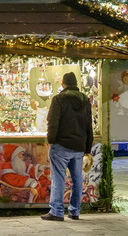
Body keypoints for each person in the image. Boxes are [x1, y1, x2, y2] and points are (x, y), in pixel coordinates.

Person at [41, 72, 93, 222]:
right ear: (76, 84)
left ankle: (57, 211)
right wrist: (87, 149)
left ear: (63, 84)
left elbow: (53, 121)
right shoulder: (85, 100)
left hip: (61, 145)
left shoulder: (58, 99)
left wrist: (51, 140)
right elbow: (89, 125)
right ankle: (75, 211)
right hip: (78, 146)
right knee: (77, 179)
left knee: (58, 178)